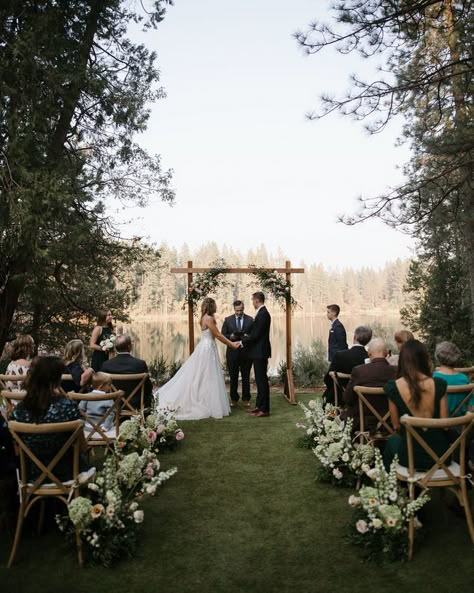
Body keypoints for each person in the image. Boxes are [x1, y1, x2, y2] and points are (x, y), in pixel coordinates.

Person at [157, 298, 240, 420]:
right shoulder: (209, 318)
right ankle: (205, 403)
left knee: (204, 376)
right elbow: (218, 335)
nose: (216, 307)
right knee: (208, 375)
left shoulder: (203, 318)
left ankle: (205, 400)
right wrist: (232, 345)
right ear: (212, 306)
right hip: (207, 349)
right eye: (215, 305)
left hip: (206, 347)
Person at [10, 356, 90, 481]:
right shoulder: (68, 407)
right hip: (67, 473)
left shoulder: (19, 411)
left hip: (31, 475)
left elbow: (17, 450)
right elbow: (83, 447)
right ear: (57, 379)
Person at [383, 339, 450, 470]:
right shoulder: (439, 384)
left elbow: (396, 426)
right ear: (424, 358)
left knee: (392, 441)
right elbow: (445, 425)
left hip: (410, 457)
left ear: (402, 360)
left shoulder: (393, 387)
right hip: (441, 456)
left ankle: (389, 485)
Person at [342, 338, 397, 432]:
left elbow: (347, 399)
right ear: (387, 353)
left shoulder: (359, 371)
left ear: (369, 354)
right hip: (391, 422)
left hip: (363, 423)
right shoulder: (397, 371)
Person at [102, 334, 153, 411]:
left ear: (115, 348)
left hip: (112, 403)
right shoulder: (140, 364)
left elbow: (101, 386)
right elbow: (148, 387)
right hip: (135, 404)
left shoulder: (106, 365)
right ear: (129, 347)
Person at [323, 325, 373, 404]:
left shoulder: (340, 356)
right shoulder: (369, 358)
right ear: (368, 340)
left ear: (355, 337)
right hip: (361, 399)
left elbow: (328, 379)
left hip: (339, 399)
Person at [242, 292, 272, 417]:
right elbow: (254, 332)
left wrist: (242, 340)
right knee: (260, 381)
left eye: (253, 300)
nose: (252, 302)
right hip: (258, 351)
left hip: (260, 352)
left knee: (262, 381)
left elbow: (256, 335)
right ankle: (259, 406)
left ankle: (264, 410)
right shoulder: (261, 312)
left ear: (257, 300)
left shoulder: (263, 314)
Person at [221, 300, 254, 408]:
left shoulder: (250, 320)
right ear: (234, 309)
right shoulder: (228, 320)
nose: (239, 313)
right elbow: (222, 335)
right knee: (233, 377)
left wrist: (246, 337)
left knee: (246, 377)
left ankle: (246, 399)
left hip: (246, 353)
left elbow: (254, 335)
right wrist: (230, 336)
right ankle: (234, 399)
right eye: (237, 311)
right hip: (232, 353)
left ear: (243, 308)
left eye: (241, 310)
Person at [433, 341, 472, 415]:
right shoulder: (464, 379)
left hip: (437, 423)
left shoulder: (432, 377)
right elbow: (470, 405)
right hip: (460, 422)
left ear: (438, 357)